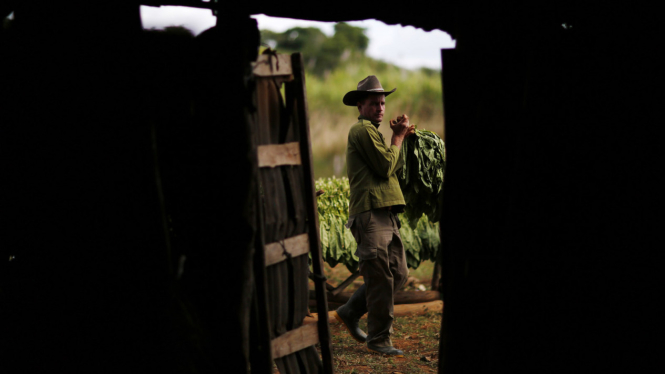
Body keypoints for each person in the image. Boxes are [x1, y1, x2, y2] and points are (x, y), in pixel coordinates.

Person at [332, 75, 415, 357]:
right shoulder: (362, 131)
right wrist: (398, 137)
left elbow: (393, 166)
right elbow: (384, 167)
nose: (380, 108)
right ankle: (379, 340)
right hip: (369, 213)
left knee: (398, 274)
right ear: (360, 106)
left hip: (385, 212)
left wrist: (402, 140)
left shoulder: (373, 134)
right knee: (380, 278)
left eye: (382, 103)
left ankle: (350, 310)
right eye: (373, 103)